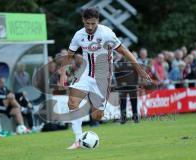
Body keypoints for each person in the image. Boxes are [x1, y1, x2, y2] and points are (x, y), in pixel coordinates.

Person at [57, 7, 149, 149]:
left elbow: (124, 50)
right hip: (85, 72)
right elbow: (68, 56)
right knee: (72, 102)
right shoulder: (78, 35)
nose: (90, 27)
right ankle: (78, 139)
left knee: (96, 116)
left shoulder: (107, 33)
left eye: (93, 24)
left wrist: (139, 69)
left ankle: (93, 103)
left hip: (103, 77)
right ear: (83, 20)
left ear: (98, 21)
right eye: (87, 23)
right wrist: (63, 74)